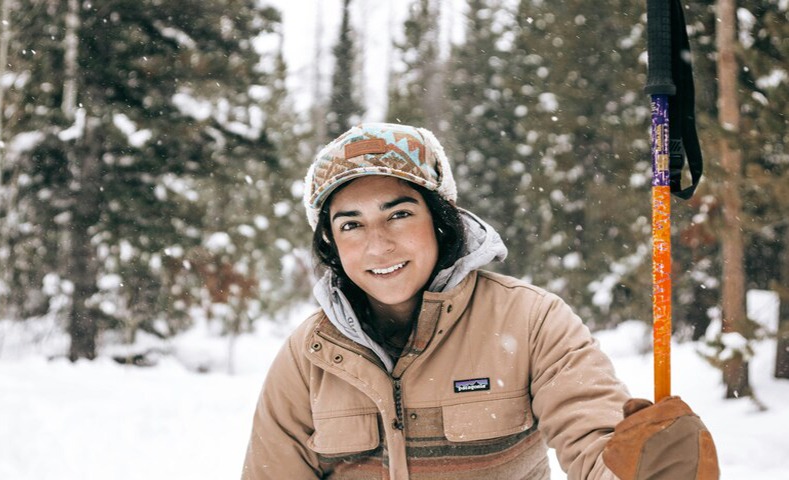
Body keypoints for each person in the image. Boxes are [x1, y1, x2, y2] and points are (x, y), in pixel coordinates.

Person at [242, 123, 718, 479]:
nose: (377, 245)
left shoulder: (531, 321)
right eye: (351, 224)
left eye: (399, 214)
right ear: (331, 243)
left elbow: (595, 444)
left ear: (441, 220)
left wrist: (643, 467)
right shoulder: (311, 355)